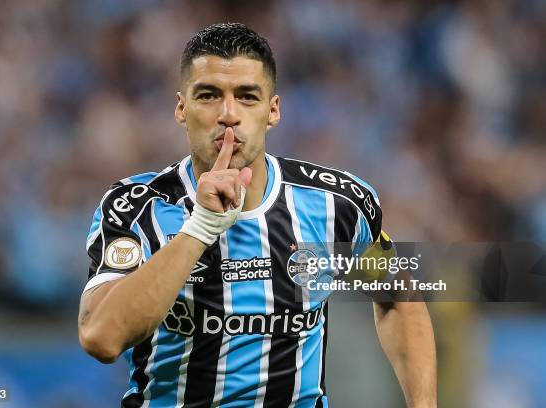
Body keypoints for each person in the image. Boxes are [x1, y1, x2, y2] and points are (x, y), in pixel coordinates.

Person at [78, 22, 437, 408]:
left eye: (247, 97)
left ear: (273, 110)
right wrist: (199, 228)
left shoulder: (336, 204)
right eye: (209, 95)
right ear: (181, 109)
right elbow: (101, 337)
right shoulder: (136, 207)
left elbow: (398, 294)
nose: (229, 114)